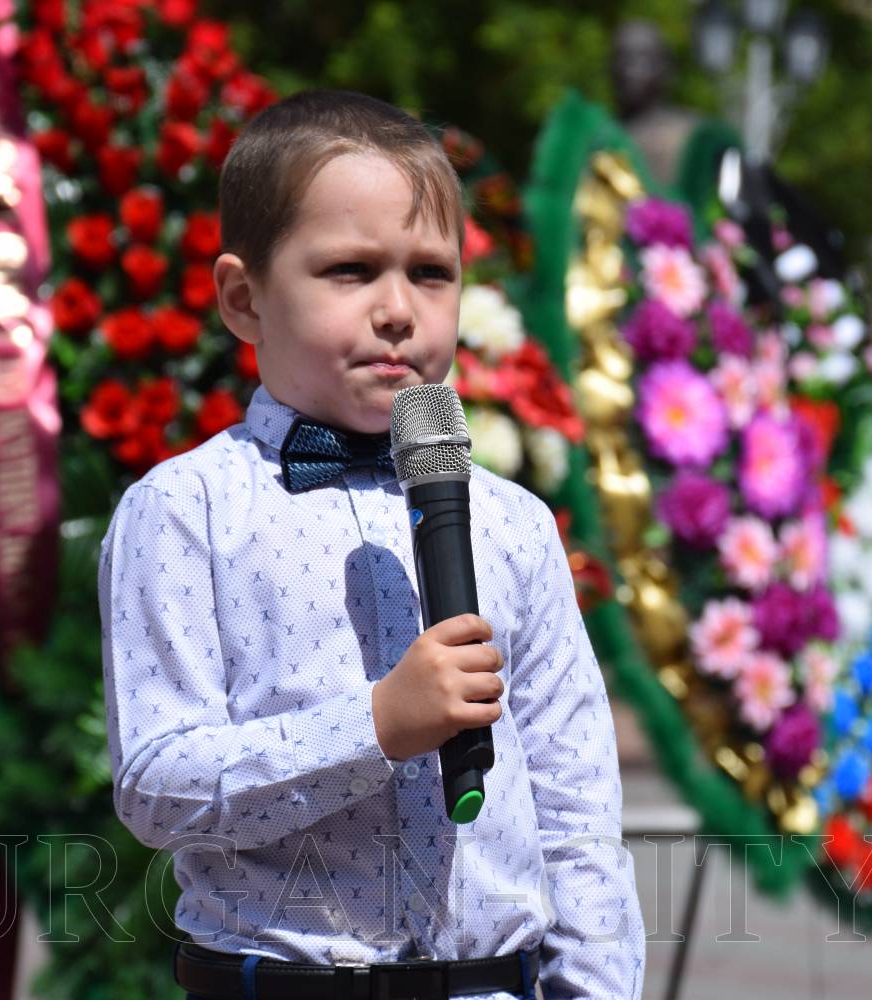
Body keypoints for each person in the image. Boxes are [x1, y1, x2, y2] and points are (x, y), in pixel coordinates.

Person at [98, 89, 646, 1000]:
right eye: (350, 271)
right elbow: (159, 786)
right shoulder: (185, 509)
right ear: (244, 298)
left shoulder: (511, 522)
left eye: (431, 273)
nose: (398, 309)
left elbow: (576, 803)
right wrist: (376, 726)